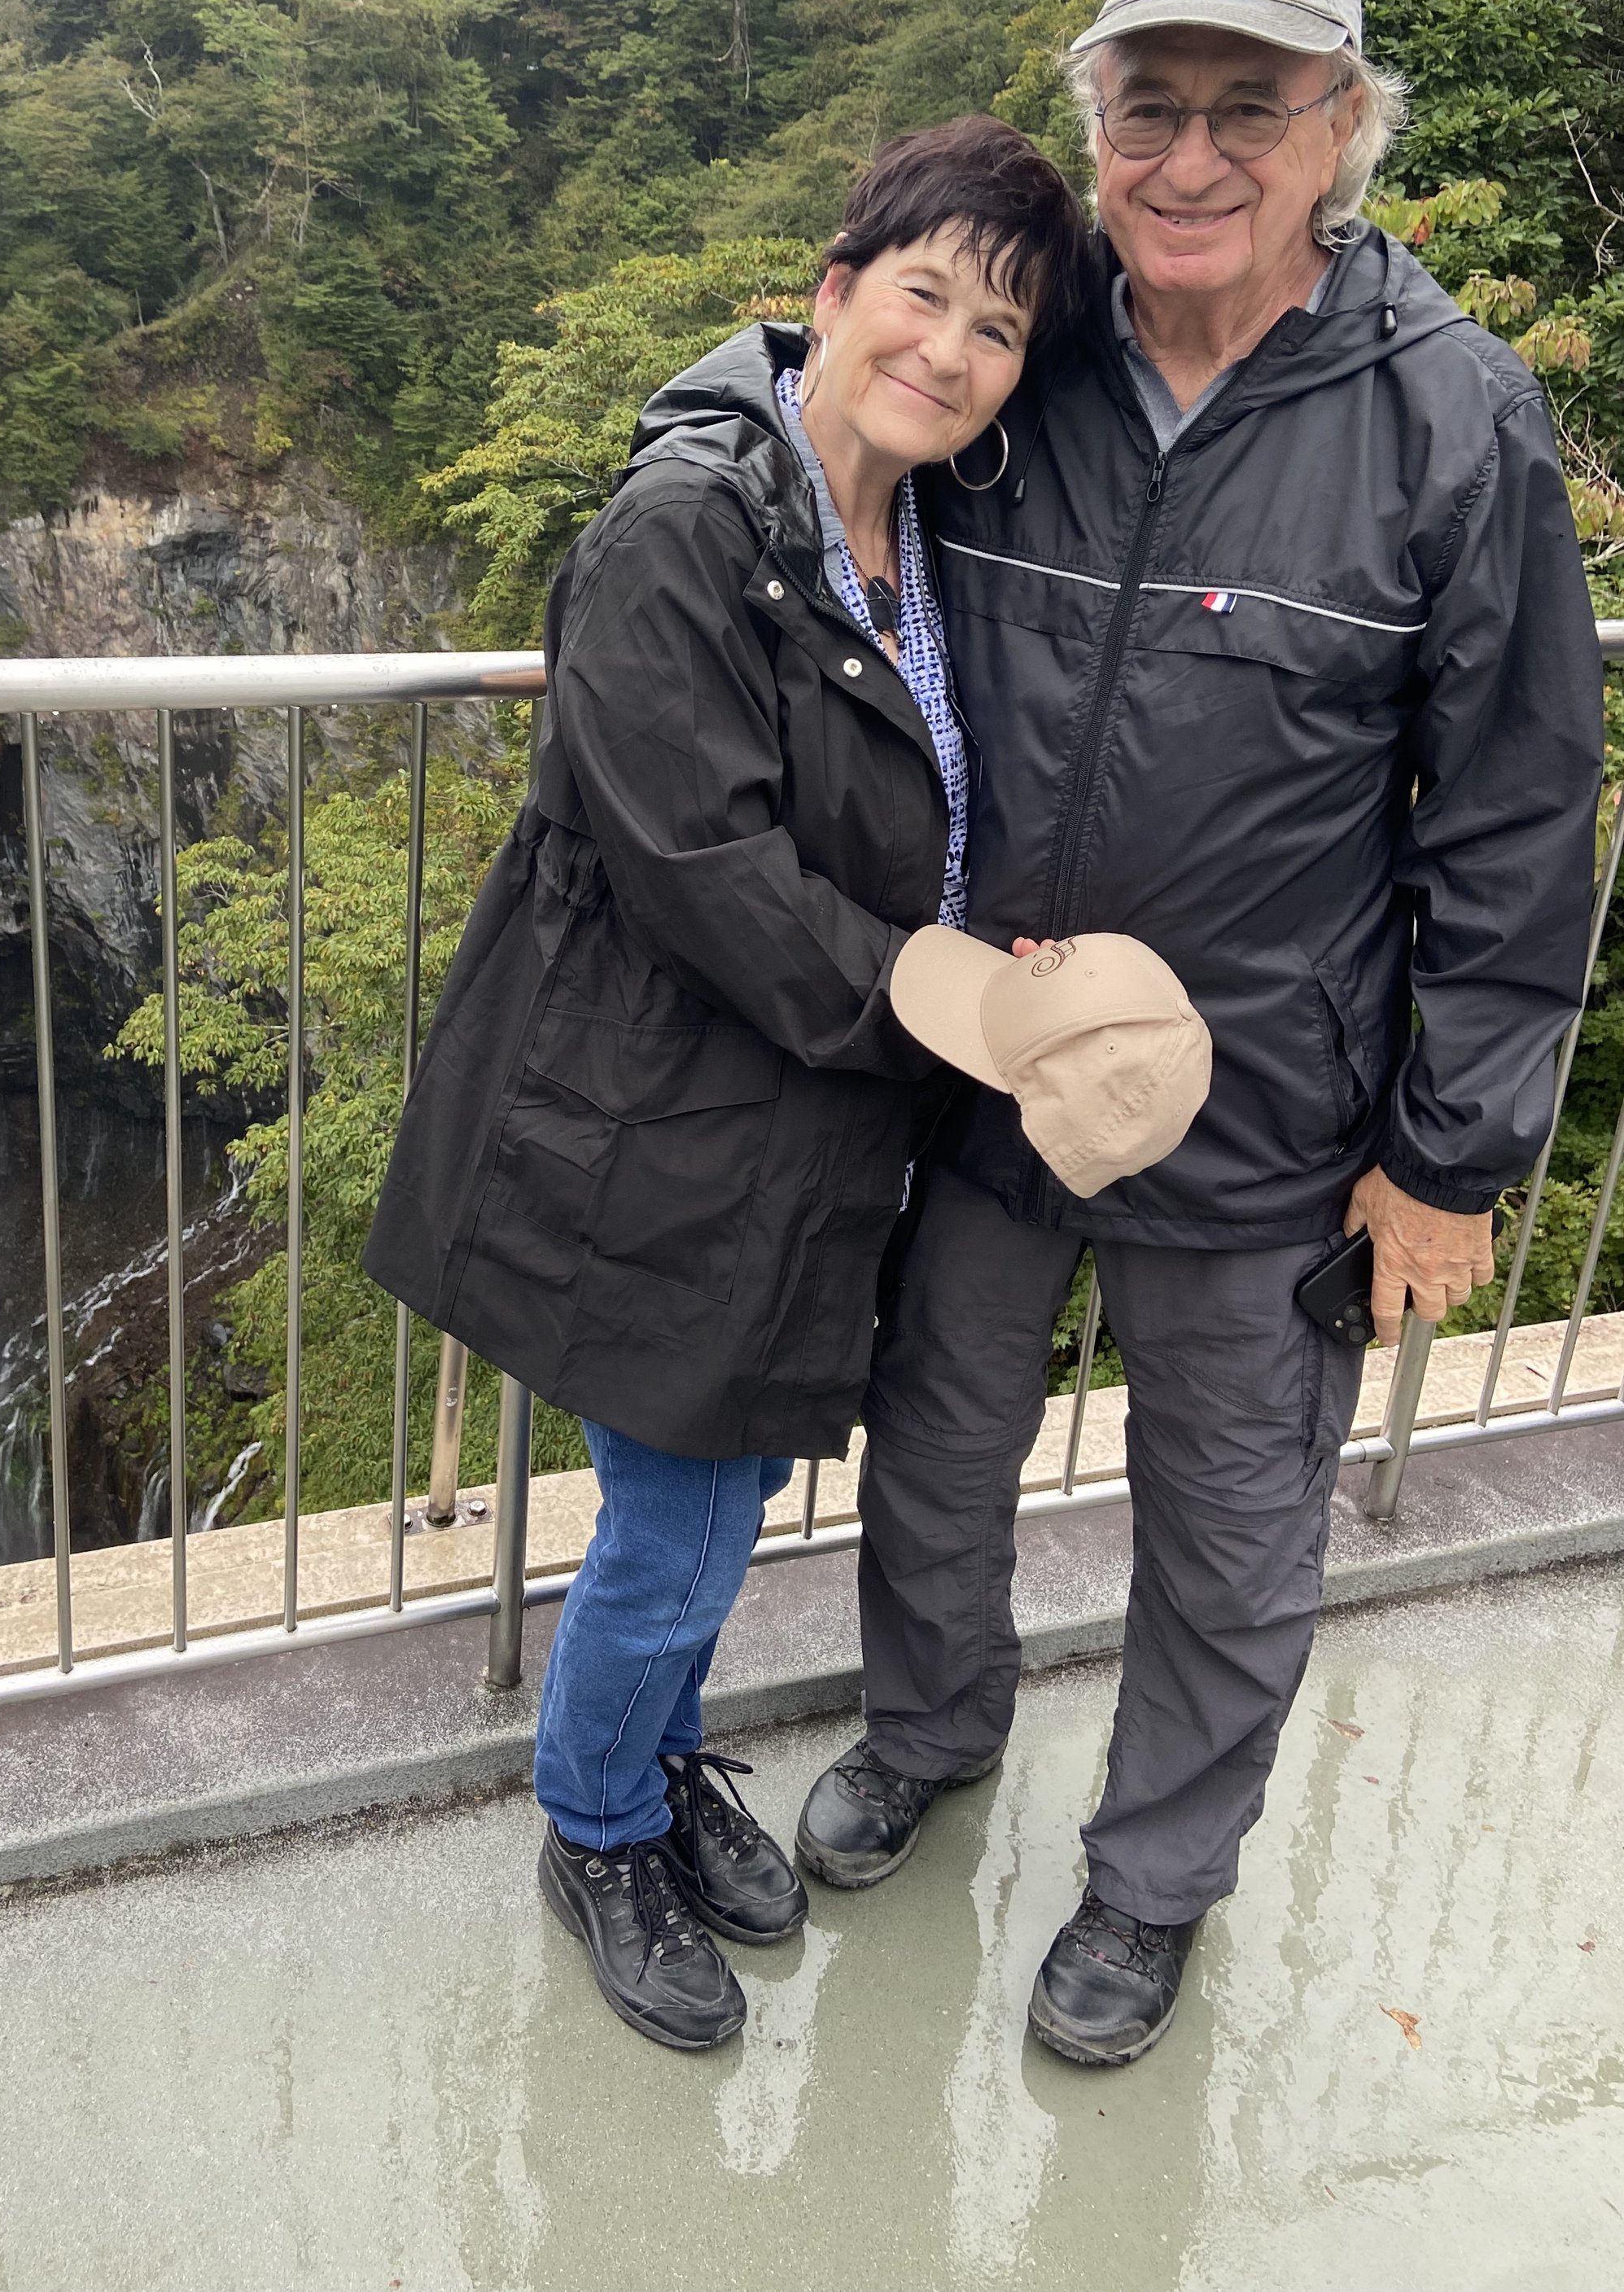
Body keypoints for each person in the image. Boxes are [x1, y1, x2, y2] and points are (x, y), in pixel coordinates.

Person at [794, 0, 1607, 2067]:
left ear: (1337, 129)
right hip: (999, 1068)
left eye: (1247, 108)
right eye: (1147, 106)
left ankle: (1149, 1885)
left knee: (1229, 1527)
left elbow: (1518, 816)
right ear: (1096, 122)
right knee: (938, 1442)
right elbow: (829, 385)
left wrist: (1449, 1153)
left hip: (1267, 1108)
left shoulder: (1453, 416)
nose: (1186, 158)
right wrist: (724, 410)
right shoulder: (1027, 351)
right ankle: (929, 1730)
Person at [365, 118, 1095, 2049]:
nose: (950, 350)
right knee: (680, 1518)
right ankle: (595, 1820)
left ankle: (661, 1759)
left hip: (802, 1114)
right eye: (921, 294)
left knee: (712, 1488)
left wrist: (983, 949)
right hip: (659, 1114)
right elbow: (711, 882)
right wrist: (956, 1001)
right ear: (835, 289)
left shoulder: (912, 532)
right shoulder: (687, 524)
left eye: (1000, 327)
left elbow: (900, 830)